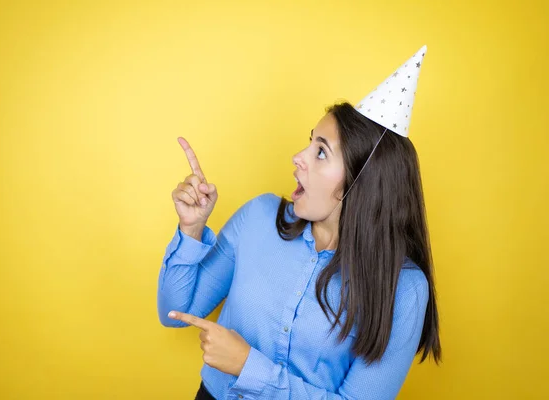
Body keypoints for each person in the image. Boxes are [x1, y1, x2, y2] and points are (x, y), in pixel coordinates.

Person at [157, 45, 441, 400]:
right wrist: (191, 228)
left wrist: (248, 366)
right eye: (310, 143)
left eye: (321, 152)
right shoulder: (258, 218)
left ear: (360, 183)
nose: (297, 158)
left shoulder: (404, 290)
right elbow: (175, 312)